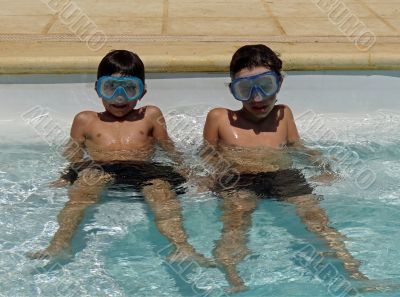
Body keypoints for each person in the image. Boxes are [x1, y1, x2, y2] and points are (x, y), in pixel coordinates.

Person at [202, 44, 366, 292]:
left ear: (279, 83)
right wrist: (209, 175)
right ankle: (233, 279)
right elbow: (205, 153)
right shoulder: (219, 117)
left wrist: (322, 163)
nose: (257, 98)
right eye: (245, 89)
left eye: (265, 86)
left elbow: (297, 147)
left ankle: (353, 271)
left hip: (282, 175)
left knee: (316, 218)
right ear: (233, 89)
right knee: (236, 218)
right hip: (237, 178)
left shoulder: (284, 114)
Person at [29, 50, 211, 266]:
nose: (120, 97)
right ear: (98, 89)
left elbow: (169, 149)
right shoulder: (85, 120)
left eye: (130, 89)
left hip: (145, 169)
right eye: (110, 88)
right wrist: (66, 177)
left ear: (142, 92)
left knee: (161, 195)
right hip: (100, 168)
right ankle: (60, 244)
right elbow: (74, 155)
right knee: (81, 193)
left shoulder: (150, 115)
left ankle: (182, 247)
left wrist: (189, 171)